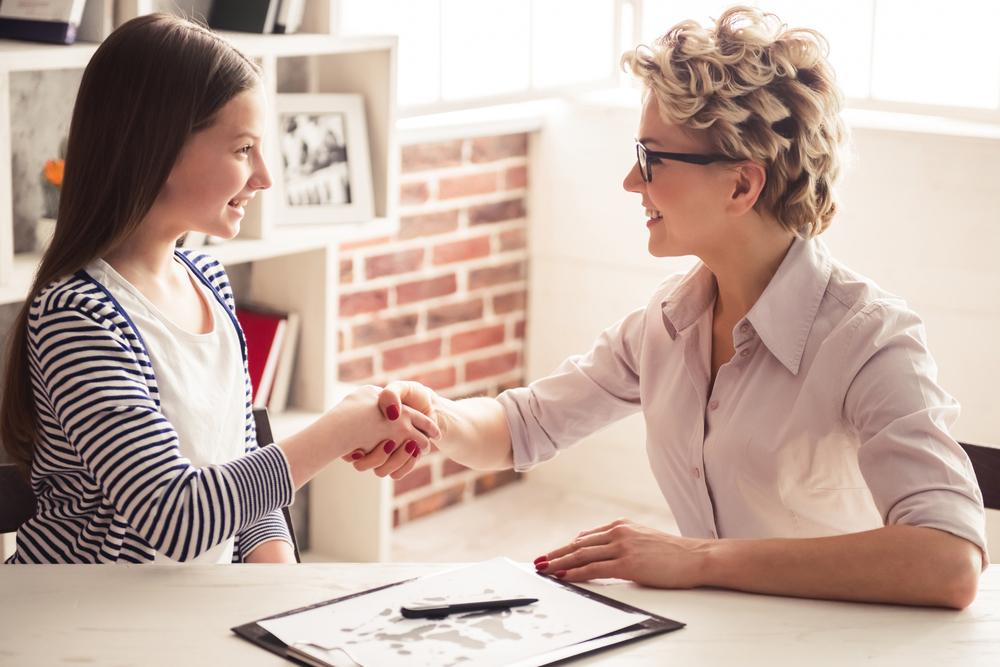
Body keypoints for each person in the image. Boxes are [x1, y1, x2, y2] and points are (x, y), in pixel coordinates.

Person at [347, 6, 987, 608]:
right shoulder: (669, 321)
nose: (631, 182)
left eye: (650, 159)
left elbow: (950, 560)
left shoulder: (868, 340)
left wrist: (700, 560)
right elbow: (523, 427)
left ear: (741, 183)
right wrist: (428, 415)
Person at [0, 14, 436, 564]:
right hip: (89, 628)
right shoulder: (79, 317)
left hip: (191, 614)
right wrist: (339, 430)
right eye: (242, 149)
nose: (265, 176)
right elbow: (174, 517)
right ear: (155, 149)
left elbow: (245, 472)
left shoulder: (209, 280)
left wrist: (277, 598)